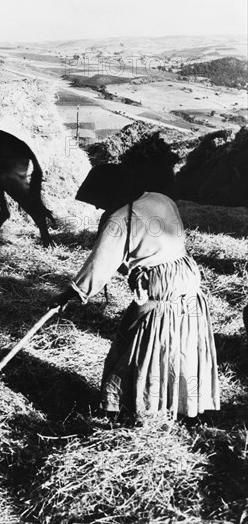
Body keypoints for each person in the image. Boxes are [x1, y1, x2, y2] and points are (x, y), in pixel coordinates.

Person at [50, 163, 220, 420]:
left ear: (112, 191)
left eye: (99, 200)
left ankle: (140, 406)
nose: (97, 207)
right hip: (186, 273)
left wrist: (73, 293)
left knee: (142, 343)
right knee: (179, 340)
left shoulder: (120, 220)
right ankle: (179, 402)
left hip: (160, 284)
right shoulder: (159, 198)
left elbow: (99, 264)